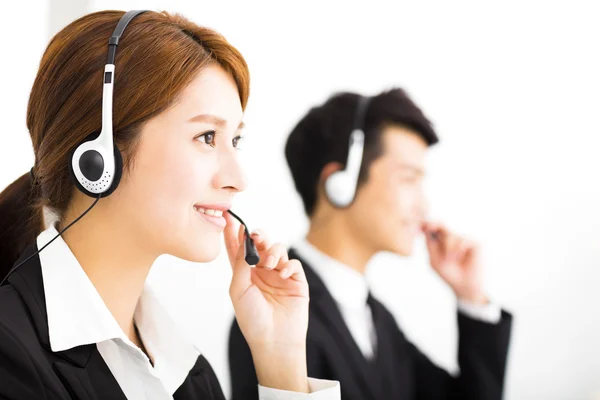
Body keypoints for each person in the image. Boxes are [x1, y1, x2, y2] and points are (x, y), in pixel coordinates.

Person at [0, 10, 340, 399]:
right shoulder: (10, 356)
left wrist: (281, 361)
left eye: (236, 141)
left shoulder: (188, 374)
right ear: (101, 153)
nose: (239, 179)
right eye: (207, 137)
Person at [229, 89, 513, 400]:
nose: (424, 204)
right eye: (409, 179)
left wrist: (470, 296)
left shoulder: (380, 322)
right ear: (340, 184)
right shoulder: (269, 316)